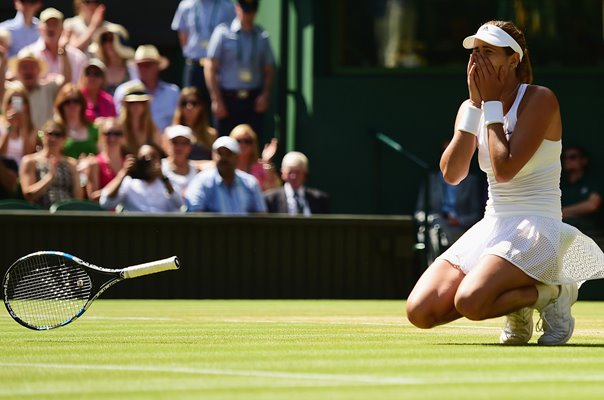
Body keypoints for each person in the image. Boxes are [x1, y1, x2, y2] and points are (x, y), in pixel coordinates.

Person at [405, 20, 604, 346]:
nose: (477, 60)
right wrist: (474, 107)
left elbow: (505, 169)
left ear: (514, 59)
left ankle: (551, 294)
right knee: (420, 311)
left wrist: (492, 103)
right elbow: (452, 175)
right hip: (494, 223)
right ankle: (522, 298)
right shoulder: (471, 108)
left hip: (538, 226)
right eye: (475, 52)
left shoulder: (541, 99)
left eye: (488, 52)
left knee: (470, 301)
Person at [205, 0, 275, 137]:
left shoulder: (262, 36)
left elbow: (269, 69)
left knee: (251, 143)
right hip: (227, 98)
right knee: (225, 143)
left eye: (251, 11)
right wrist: (216, 99)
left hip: (252, 99)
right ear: (237, 9)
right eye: (245, 9)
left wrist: (265, 95)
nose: (248, 14)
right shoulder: (223, 33)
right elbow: (210, 67)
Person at [415, 139, 485, 263]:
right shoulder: (431, 180)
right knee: (435, 232)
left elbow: (477, 214)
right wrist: (435, 219)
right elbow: (419, 212)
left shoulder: (471, 181)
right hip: (434, 227)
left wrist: (458, 221)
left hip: (460, 229)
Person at [171, 0, 235, 107]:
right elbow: (183, 35)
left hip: (218, 69)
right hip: (194, 66)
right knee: (191, 106)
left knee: (218, 106)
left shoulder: (227, 6)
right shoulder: (185, 5)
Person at [185, 136, 266, 213]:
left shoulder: (250, 183)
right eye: (219, 153)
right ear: (213, 156)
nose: (223, 158)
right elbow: (195, 214)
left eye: (228, 154)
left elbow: (261, 215)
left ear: (237, 157)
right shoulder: (202, 181)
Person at [113, 45, 180, 132]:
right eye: (140, 65)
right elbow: (117, 120)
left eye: (147, 65)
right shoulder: (123, 91)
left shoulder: (172, 92)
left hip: (166, 142)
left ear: (157, 66)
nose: (143, 69)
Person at [99, 143, 183, 212]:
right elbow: (105, 203)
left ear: (160, 161)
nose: (149, 161)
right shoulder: (129, 182)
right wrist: (123, 173)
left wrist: (163, 179)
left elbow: (179, 204)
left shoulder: (168, 181)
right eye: (144, 158)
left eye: (153, 157)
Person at [20, 120, 83, 208]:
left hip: (66, 214)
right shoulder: (30, 161)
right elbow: (29, 195)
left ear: (64, 139)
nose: (53, 138)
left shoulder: (71, 164)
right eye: (49, 134)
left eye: (58, 135)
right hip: (41, 213)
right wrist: (50, 178)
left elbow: (78, 198)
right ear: (43, 135)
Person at [3, 48, 68, 130]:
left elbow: (67, 81)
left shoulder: (48, 89)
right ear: (17, 71)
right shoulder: (13, 91)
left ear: (39, 70)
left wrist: (63, 53)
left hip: (44, 140)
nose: (28, 71)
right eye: (24, 67)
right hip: (21, 140)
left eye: (32, 67)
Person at [23, 7, 87, 85]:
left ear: (62, 29)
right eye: (48, 24)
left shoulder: (78, 57)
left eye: (55, 24)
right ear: (40, 28)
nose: (51, 28)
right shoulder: (28, 53)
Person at [264, 151, 330, 215]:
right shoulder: (270, 199)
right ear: (283, 173)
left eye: (297, 172)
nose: (293, 176)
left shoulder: (319, 199)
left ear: (305, 173)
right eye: (290, 172)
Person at [560, 145, 603, 234]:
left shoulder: (593, 181)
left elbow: (592, 205)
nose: (567, 160)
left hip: (588, 227)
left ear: (584, 160)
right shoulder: (560, 183)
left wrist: (560, 212)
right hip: (561, 224)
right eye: (565, 158)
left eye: (573, 157)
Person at [87, 23, 137, 96]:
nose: (108, 44)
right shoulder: (97, 69)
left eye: (111, 39)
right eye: (104, 40)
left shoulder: (132, 68)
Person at [53, 83, 99, 160]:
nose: (72, 105)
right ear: (61, 105)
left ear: (82, 104)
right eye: (67, 102)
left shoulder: (94, 129)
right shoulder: (55, 130)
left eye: (76, 101)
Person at [84, 117, 125, 202]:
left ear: (123, 137)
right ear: (101, 136)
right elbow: (93, 197)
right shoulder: (95, 163)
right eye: (108, 133)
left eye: (117, 133)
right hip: (105, 213)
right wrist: (121, 177)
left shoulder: (128, 162)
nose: (112, 138)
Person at [172, 86, 217, 163]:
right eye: (184, 103)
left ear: (201, 107)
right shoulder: (170, 134)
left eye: (194, 103)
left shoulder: (211, 134)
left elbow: (216, 160)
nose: (189, 107)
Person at [228, 123, 279, 191]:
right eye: (238, 141)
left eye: (247, 141)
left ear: (253, 145)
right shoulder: (226, 166)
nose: (243, 144)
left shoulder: (261, 167)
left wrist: (267, 162)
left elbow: (274, 190)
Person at [117, 81, 162, 154]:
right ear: (126, 105)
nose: (136, 106)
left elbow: (158, 153)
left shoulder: (152, 129)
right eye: (131, 103)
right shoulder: (119, 127)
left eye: (141, 102)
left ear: (146, 105)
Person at [0, 85, 38, 168]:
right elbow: (1, 153)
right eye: (11, 101)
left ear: (27, 105)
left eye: (19, 101)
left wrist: (23, 127)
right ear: (6, 104)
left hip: (22, 172)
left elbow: (28, 155)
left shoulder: (32, 128)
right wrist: (10, 127)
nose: (14, 105)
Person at [161, 124, 199, 197]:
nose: (179, 147)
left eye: (184, 143)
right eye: (175, 142)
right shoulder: (161, 167)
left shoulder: (196, 169)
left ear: (190, 147)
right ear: (169, 144)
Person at [78, 58, 117, 122]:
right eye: (88, 73)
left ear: (103, 79)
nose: (91, 77)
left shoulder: (108, 100)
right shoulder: (77, 98)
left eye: (96, 74)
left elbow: (113, 121)